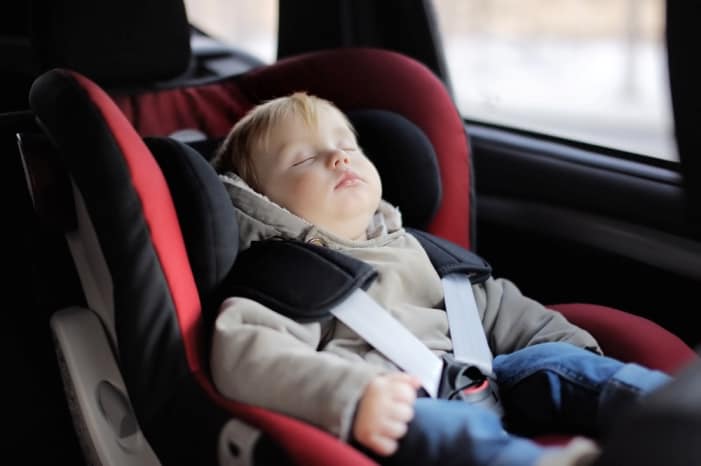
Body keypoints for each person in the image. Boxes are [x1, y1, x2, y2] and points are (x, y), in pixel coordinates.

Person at [209, 92, 671, 466]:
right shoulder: (280, 280)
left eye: (347, 146)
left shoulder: (420, 250)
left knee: (555, 362)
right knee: (444, 427)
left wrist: (568, 347)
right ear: (258, 201)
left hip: (484, 378)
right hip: (395, 407)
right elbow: (248, 354)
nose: (338, 159)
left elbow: (496, 306)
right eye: (302, 160)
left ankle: (669, 417)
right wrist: (352, 395)